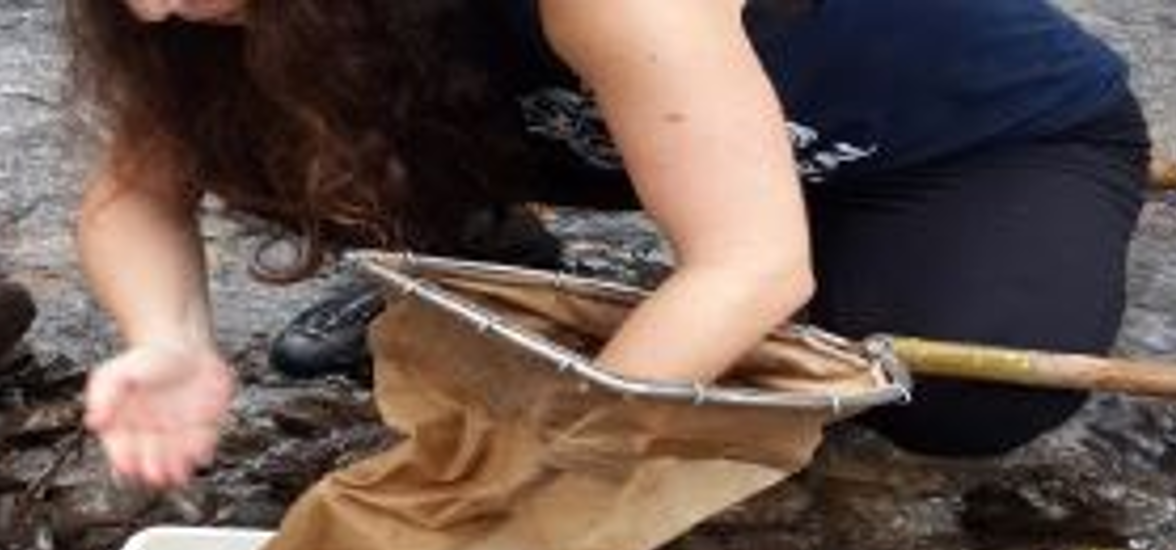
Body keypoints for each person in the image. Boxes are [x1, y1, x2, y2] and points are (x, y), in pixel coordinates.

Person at [65, 0, 1151, 490]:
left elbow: (748, 264)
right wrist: (168, 339)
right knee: (267, 125)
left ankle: (869, 257)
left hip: (958, 143)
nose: (154, 9)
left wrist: (543, 458)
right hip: (632, 136)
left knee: (961, 398)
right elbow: (133, 191)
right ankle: (493, 248)